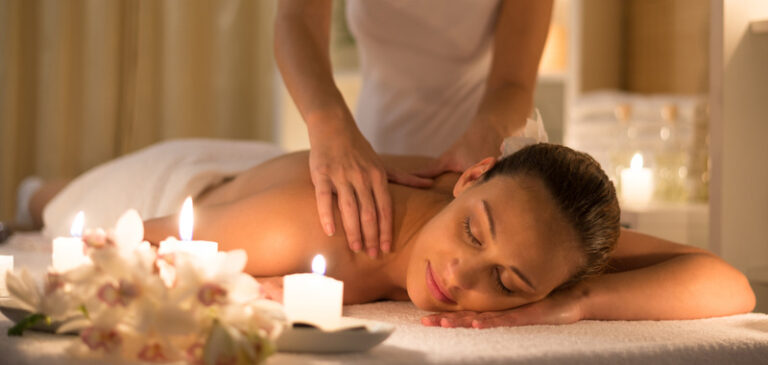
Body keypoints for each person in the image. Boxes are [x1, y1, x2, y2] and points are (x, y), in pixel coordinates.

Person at [32, 140, 755, 328]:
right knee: (56, 211)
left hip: (261, 166)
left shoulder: (541, 233)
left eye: (507, 282)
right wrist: (231, 285)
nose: (465, 276)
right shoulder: (314, 225)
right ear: (472, 175)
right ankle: (41, 190)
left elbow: (727, 283)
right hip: (184, 186)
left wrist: (571, 304)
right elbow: (119, 250)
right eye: (474, 231)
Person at [274, 0, 554, 259]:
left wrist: (490, 133)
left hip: (466, 165)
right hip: (362, 154)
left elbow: (513, 82)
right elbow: (297, 19)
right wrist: (328, 124)